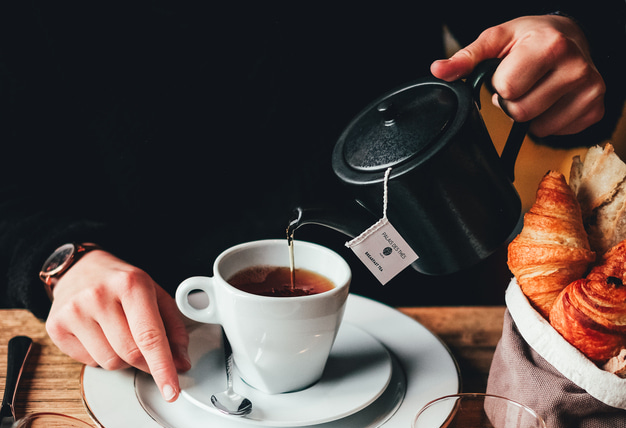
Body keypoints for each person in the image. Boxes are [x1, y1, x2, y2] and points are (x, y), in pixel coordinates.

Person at [1, 2, 624, 404]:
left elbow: (552, 32)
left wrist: (568, 41)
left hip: (437, 312)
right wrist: (60, 256)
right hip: (148, 337)